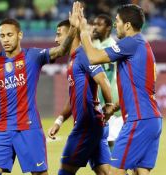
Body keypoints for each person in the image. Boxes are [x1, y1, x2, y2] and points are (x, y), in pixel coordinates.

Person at [0, 12, 78, 175]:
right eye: (2, 36)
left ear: (20, 35)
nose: (5, 39)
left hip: (29, 128)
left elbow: (61, 50)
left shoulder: (32, 56)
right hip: (2, 129)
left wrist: (73, 28)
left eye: (9, 35)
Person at [77, 4, 163, 175]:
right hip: (152, 119)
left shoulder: (130, 43)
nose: (115, 25)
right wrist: (114, 107)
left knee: (115, 172)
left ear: (128, 25)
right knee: (140, 172)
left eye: (117, 21)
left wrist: (83, 30)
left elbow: (93, 57)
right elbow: (138, 88)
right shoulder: (142, 45)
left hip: (138, 120)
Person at [47, 4, 113, 174]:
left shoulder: (83, 54)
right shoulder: (73, 59)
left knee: (66, 170)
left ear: (71, 33)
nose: (56, 40)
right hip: (94, 124)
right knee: (105, 172)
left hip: (87, 124)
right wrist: (59, 120)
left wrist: (110, 105)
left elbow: (103, 80)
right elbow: (74, 97)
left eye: (58, 34)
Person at [92, 14, 124, 151]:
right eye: (94, 24)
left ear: (108, 28)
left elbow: (108, 76)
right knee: (103, 141)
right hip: (101, 102)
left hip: (111, 101)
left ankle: (116, 170)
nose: (95, 27)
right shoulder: (97, 44)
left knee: (111, 140)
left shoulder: (111, 46)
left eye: (99, 25)